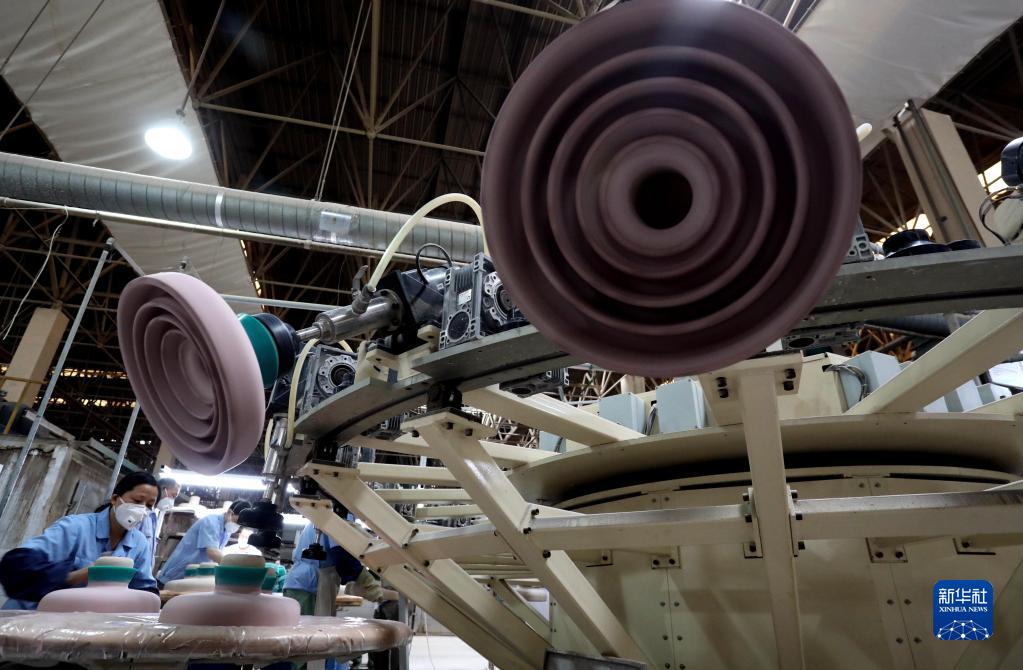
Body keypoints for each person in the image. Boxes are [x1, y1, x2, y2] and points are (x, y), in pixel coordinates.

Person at [0, 471, 159, 610]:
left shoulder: (139, 543)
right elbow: (16, 567)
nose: (142, 510)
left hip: (79, 622)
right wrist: (80, 575)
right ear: (115, 499)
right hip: (30, 616)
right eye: (137, 501)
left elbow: (144, 588)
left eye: (149, 505)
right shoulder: (75, 527)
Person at [156, 500, 251, 587]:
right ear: (230, 513)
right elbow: (213, 552)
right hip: (176, 573)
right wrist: (235, 568)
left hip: (192, 577)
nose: (237, 526)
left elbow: (217, 556)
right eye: (237, 522)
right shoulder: (211, 522)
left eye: (240, 525)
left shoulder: (226, 531)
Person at [139, 477, 180, 564]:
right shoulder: (142, 513)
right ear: (163, 489)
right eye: (173, 495)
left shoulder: (153, 516)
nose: (172, 501)